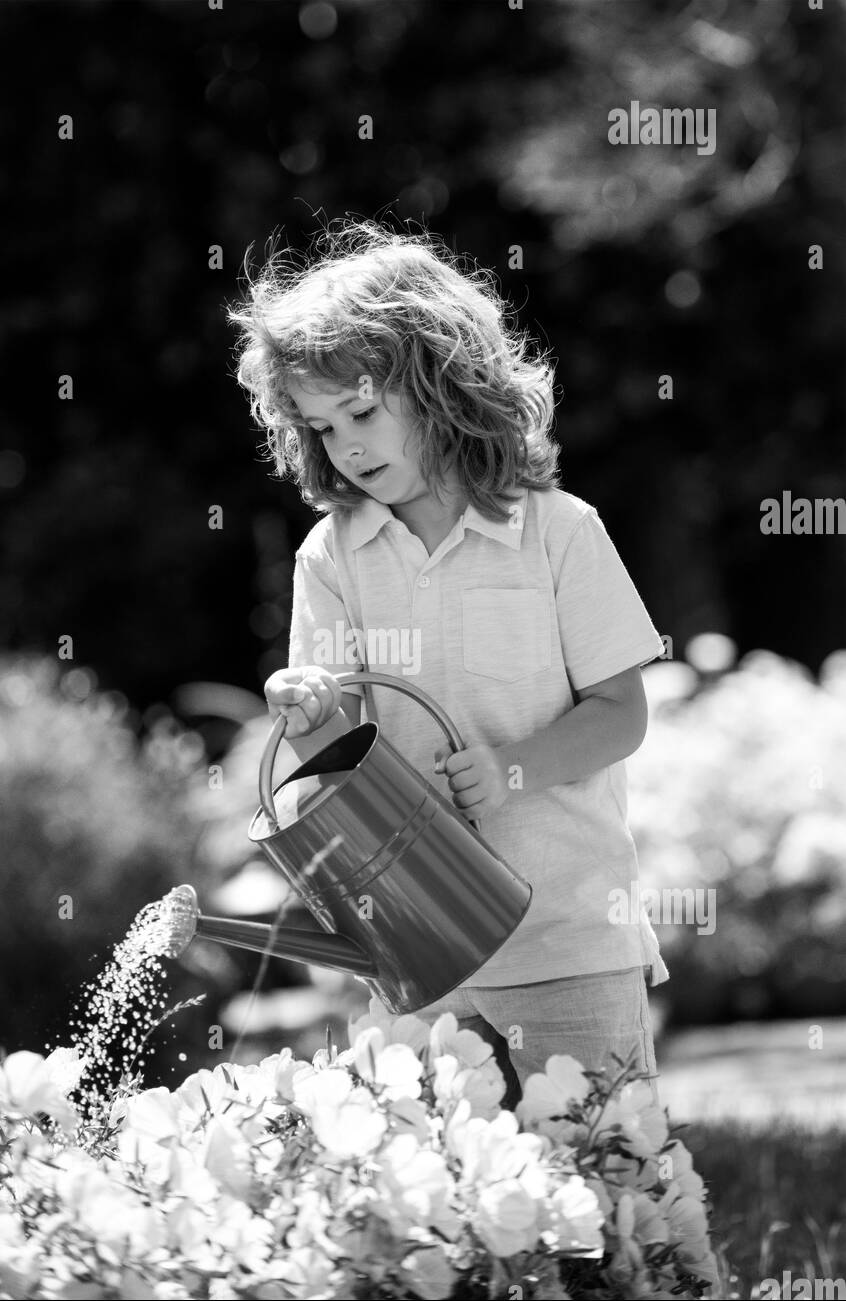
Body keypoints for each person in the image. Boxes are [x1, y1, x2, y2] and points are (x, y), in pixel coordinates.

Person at [227, 220, 668, 1106]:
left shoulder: (557, 532)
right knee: (442, 1207)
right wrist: (306, 705)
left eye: (361, 412)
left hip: (567, 933)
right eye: (321, 425)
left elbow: (622, 711)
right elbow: (342, 741)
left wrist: (512, 770)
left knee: (610, 1171)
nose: (346, 445)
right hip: (416, 946)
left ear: (442, 384)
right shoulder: (334, 555)